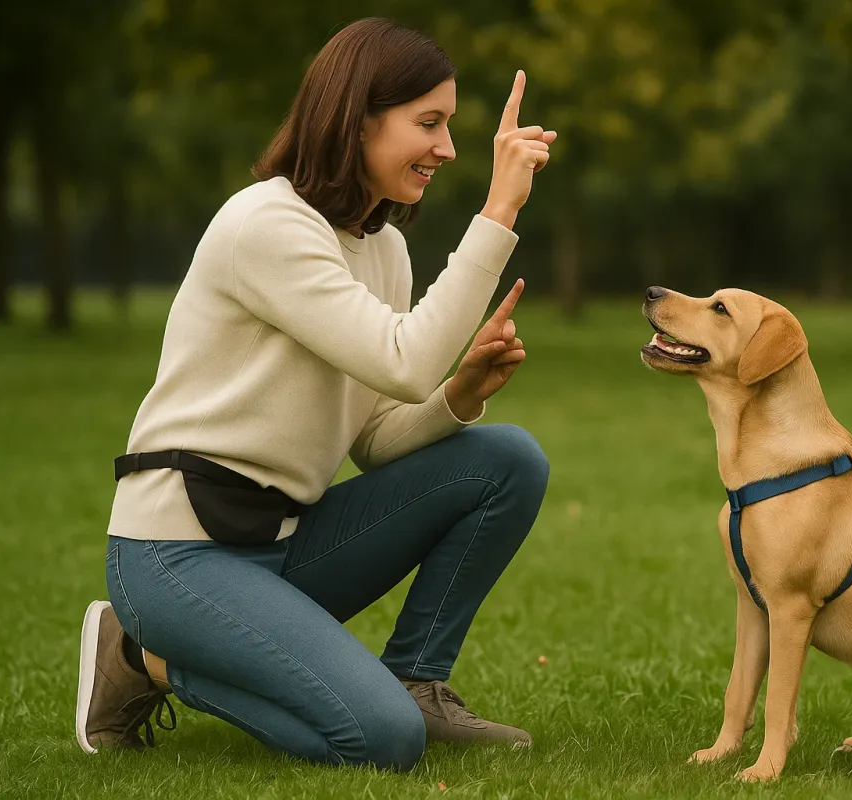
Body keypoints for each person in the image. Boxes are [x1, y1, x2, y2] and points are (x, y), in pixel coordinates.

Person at [74, 18, 557, 771]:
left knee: (505, 458)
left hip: (285, 543)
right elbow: (403, 359)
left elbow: (373, 437)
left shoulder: (384, 249)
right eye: (427, 124)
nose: (448, 149)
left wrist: (456, 395)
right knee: (380, 741)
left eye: (450, 126)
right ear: (356, 119)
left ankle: (417, 681)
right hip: (175, 556)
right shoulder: (265, 224)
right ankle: (140, 656)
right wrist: (500, 212)